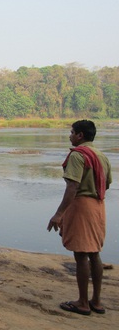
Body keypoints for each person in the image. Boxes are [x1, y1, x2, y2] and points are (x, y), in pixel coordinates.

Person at [47, 120, 112, 316]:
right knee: (94, 253)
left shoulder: (77, 156)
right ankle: (96, 301)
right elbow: (107, 184)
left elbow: (72, 187)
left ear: (80, 135)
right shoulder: (101, 156)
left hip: (82, 206)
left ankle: (83, 302)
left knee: (81, 254)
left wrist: (59, 214)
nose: (70, 135)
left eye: (72, 132)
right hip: (98, 206)